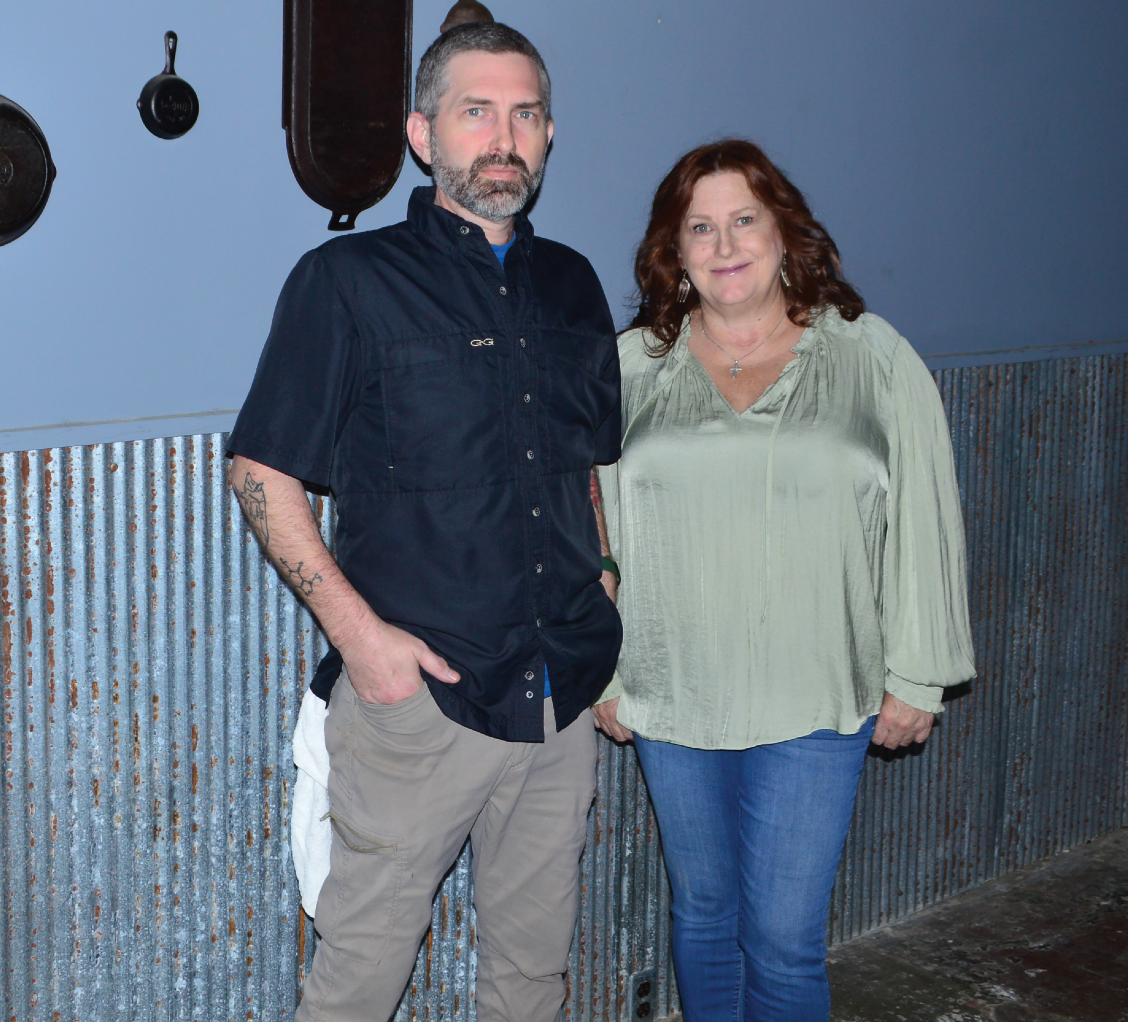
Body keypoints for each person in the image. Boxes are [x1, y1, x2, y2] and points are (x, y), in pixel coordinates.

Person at [227, 20, 622, 1022]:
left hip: (561, 690)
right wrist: (364, 644)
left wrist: (606, 579)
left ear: (548, 133)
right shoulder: (347, 281)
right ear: (422, 133)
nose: (504, 137)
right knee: (359, 981)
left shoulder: (575, 284)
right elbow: (260, 470)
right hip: (421, 704)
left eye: (525, 114)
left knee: (533, 975)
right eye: (475, 111)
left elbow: (584, 464)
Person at [592, 139, 976, 1022]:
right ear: (675, 251)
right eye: (701, 227)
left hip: (817, 693)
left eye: (744, 220)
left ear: (784, 232)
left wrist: (917, 675)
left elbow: (926, 516)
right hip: (671, 689)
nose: (725, 244)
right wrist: (604, 672)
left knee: (783, 938)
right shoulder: (631, 367)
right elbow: (594, 529)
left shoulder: (871, 355)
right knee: (704, 914)